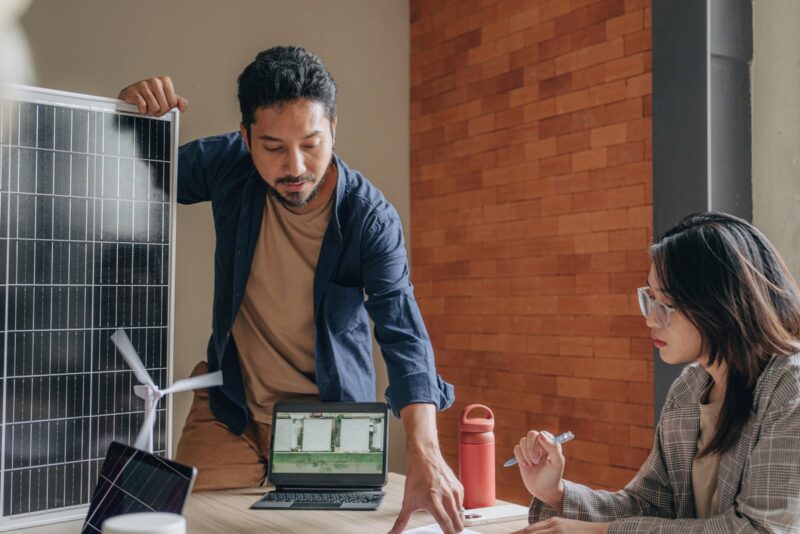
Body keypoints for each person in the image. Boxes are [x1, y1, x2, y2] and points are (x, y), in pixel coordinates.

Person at [118, 46, 464, 534]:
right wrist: (132, 117)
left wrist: (426, 450)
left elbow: (403, 335)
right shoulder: (228, 165)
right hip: (231, 408)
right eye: (274, 147)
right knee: (182, 524)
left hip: (328, 423)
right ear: (246, 138)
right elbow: (131, 173)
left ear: (334, 130)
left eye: (311, 142)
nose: (295, 166)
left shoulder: (369, 218)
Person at [512, 212, 800, 533]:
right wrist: (557, 492)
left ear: (719, 303)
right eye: (648, 298)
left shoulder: (790, 387)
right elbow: (649, 505)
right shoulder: (689, 388)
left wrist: (602, 532)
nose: (650, 320)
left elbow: (761, 529)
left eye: (665, 304)